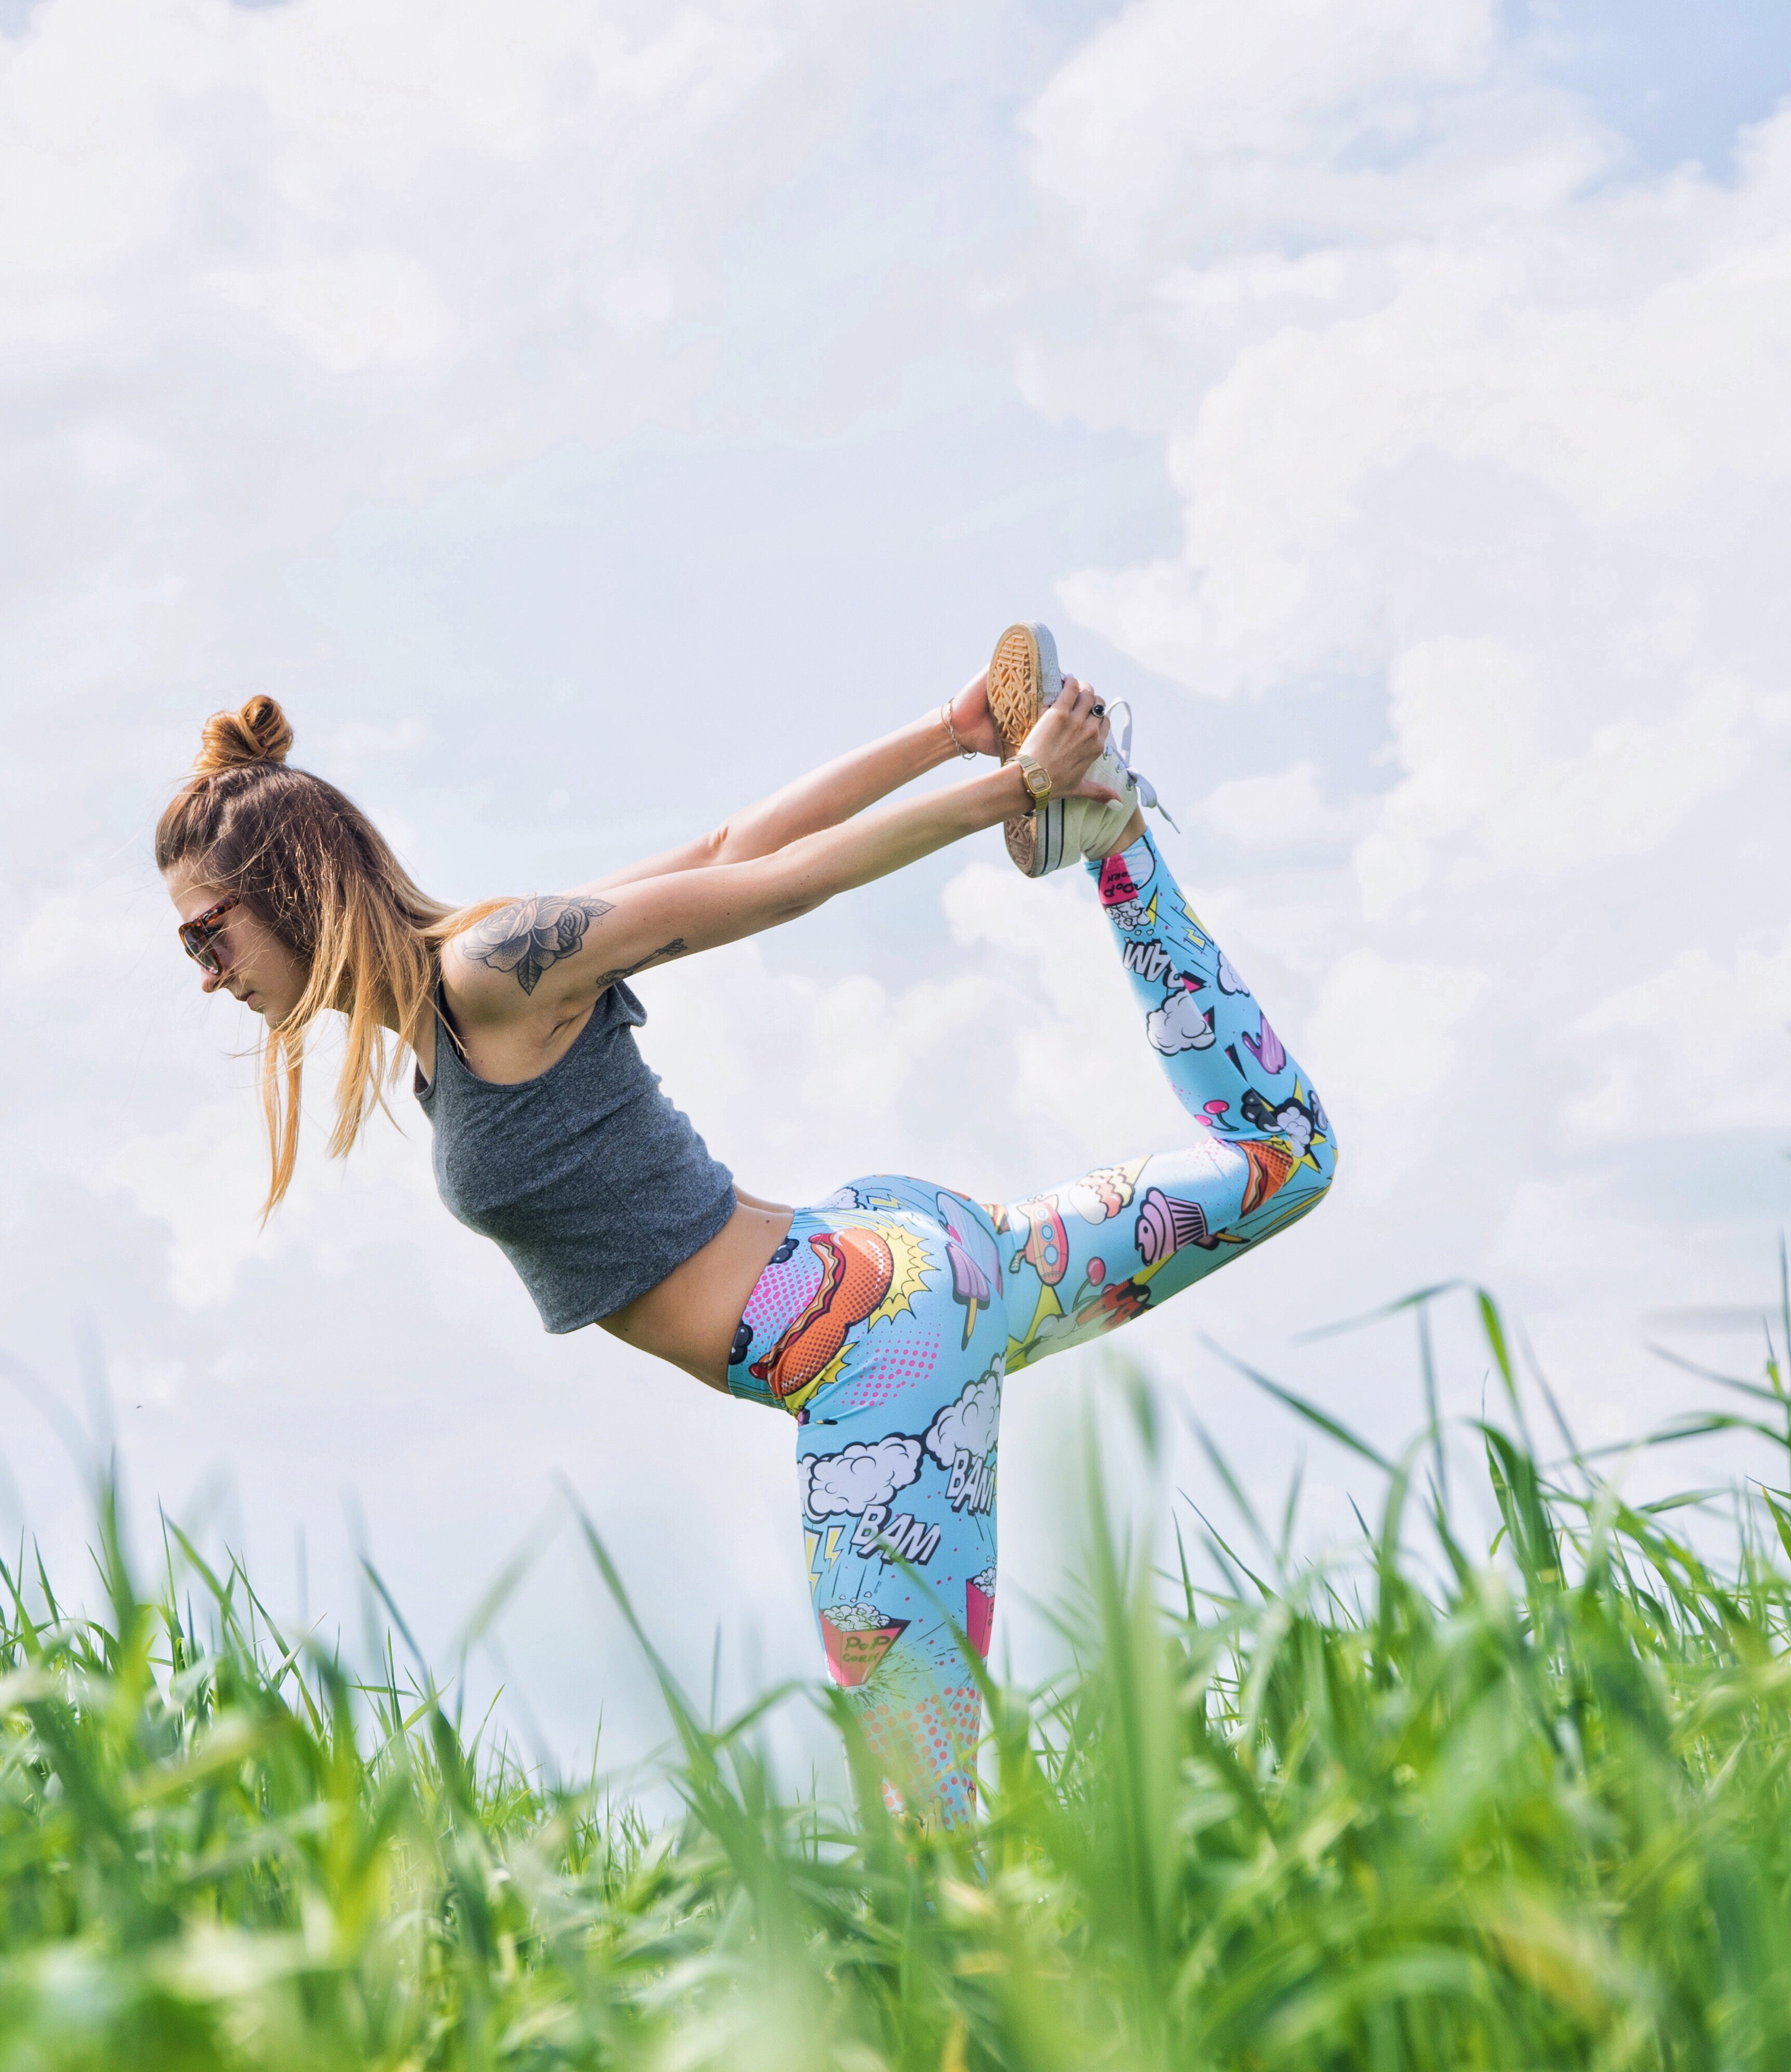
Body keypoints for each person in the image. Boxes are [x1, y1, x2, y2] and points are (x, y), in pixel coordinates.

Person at [153, 624, 1335, 1825]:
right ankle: (1117, 843)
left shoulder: (489, 971)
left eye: (209, 934)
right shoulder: (461, 996)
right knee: (1282, 1160)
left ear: (290, 889)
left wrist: (1012, 791)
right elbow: (730, 844)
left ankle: (1079, 804)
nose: (205, 972)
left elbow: (770, 886)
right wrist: (954, 736)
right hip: (908, 1276)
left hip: (869, 1354)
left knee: (923, 1823)